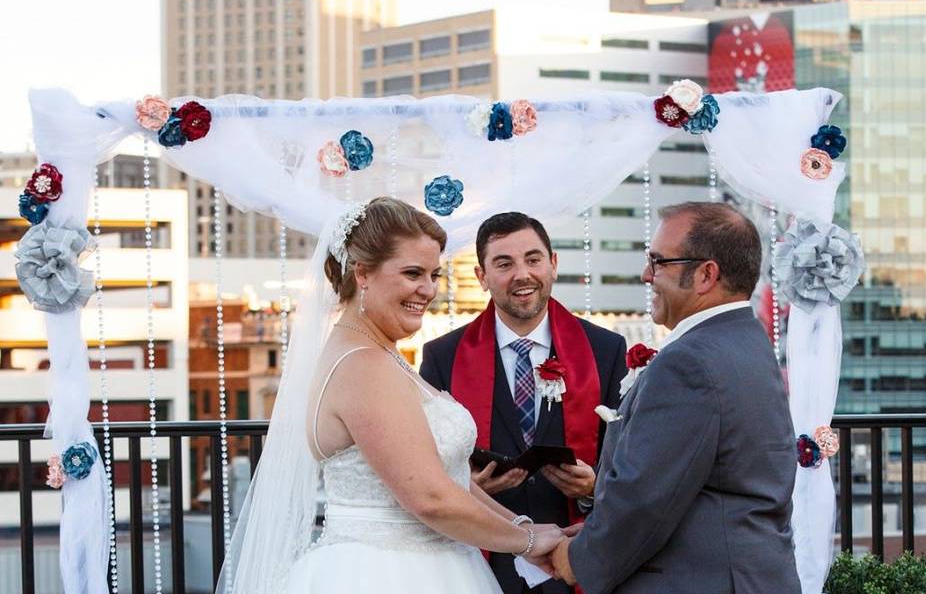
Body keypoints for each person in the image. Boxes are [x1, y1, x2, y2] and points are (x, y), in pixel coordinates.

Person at [229, 197, 566, 594]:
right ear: (363, 274)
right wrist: (526, 543)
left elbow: (445, 478)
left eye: (433, 274)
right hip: (386, 574)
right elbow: (429, 498)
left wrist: (521, 527)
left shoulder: (376, 352)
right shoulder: (363, 365)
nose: (427, 290)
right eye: (412, 273)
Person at [548, 202, 801, 594]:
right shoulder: (746, 340)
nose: (647, 274)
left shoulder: (689, 362)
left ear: (705, 274)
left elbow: (646, 499)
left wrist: (575, 558)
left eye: (659, 261)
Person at [420, 212, 627, 594]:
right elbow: (424, 464)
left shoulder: (607, 349)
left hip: (577, 559)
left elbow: (629, 458)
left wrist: (592, 486)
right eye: (504, 264)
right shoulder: (441, 357)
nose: (522, 274)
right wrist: (469, 489)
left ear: (553, 264)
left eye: (533, 259)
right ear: (482, 277)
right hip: (481, 564)